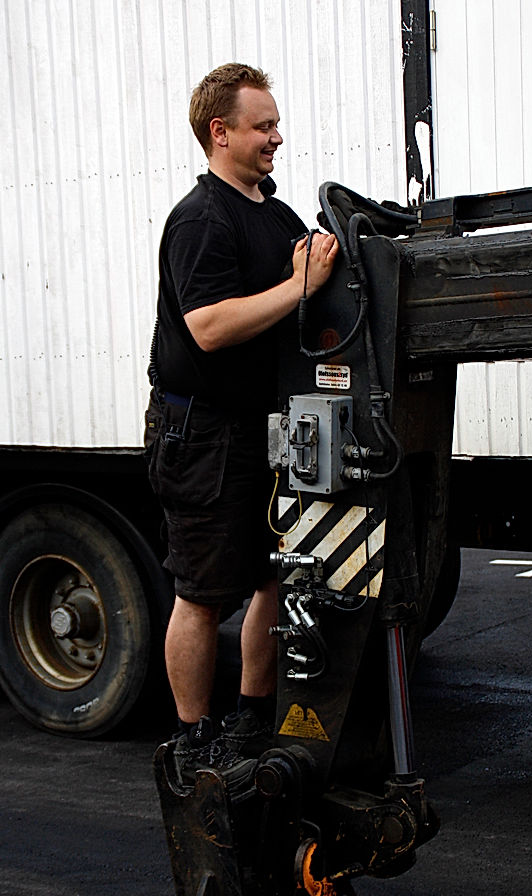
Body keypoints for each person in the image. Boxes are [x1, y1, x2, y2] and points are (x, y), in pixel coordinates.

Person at [144, 63, 338, 785]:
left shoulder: (274, 213)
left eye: (275, 124)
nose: (276, 138)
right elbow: (210, 327)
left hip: (265, 429)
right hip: (201, 435)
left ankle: (251, 719)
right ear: (219, 132)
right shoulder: (201, 219)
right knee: (200, 592)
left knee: (269, 580)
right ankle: (195, 740)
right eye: (262, 126)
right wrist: (299, 285)